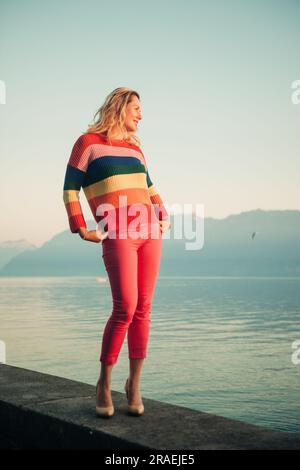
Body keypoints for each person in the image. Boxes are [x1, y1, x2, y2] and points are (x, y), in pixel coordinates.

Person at [63, 87, 171, 418]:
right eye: (136, 108)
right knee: (125, 307)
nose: (141, 114)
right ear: (120, 107)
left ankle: (134, 386)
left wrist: (164, 215)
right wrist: (81, 227)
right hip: (118, 233)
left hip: (150, 233)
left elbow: (149, 187)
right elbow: (70, 189)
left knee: (144, 309)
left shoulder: (136, 150)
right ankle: (103, 383)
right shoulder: (88, 143)